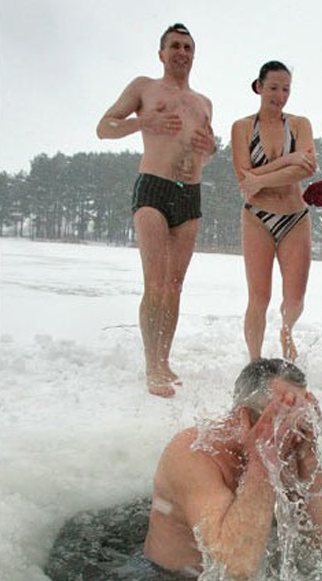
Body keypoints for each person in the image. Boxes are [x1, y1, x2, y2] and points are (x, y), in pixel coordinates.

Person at [96, 23, 215, 398]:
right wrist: (143, 121)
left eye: (188, 47)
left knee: (176, 286)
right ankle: (151, 365)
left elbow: (204, 154)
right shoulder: (144, 87)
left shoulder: (203, 102)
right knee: (156, 282)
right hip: (154, 188)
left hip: (190, 193)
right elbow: (104, 127)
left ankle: (164, 359)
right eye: (175, 46)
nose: (182, 52)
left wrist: (209, 147)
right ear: (161, 53)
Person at [144, 358, 322, 579]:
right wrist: (261, 462)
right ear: (243, 415)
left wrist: (308, 458)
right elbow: (236, 566)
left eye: (299, 416)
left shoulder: (289, 445)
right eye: (282, 417)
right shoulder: (193, 452)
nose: (293, 430)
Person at [231, 62, 316, 362]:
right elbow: (245, 181)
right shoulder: (242, 127)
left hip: (295, 217)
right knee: (259, 297)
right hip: (257, 216)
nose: (280, 95)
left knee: (294, 300)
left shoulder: (299, 124)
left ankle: (287, 331)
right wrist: (288, 160)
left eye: (286, 89)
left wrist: (262, 178)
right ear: (258, 87)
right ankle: (254, 360)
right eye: (273, 88)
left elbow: (306, 169)